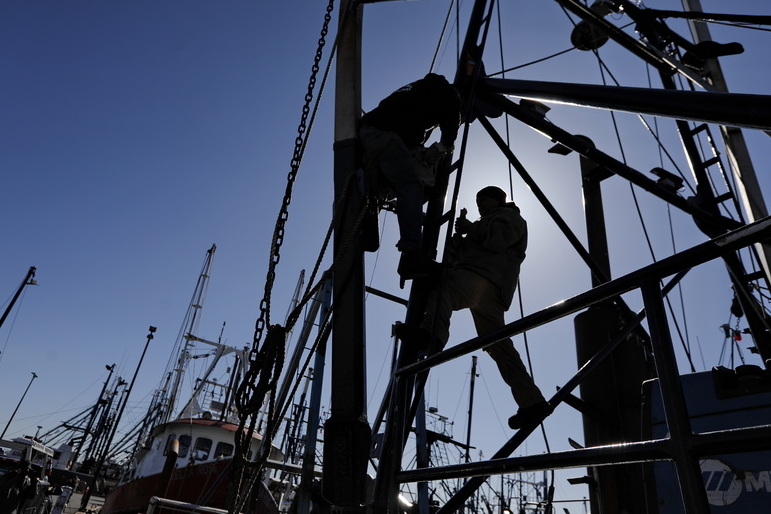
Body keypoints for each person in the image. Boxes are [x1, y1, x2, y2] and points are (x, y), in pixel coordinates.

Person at [400, 186, 552, 429]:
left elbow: (497, 240)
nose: (480, 206)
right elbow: (459, 258)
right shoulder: (488, 222)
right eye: (478, 202)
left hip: (483, 281)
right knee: (499, 348)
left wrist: (471, 229)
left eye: (484, 202)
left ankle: (432, 336)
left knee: (444, 288)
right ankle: (532, 402)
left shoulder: (510, 218)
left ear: (498, 201)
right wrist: (458, 242)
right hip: (485, 286)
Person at [359, 73, 461, 280]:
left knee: (389, 186)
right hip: (383, 136)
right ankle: (411, 254)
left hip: (368, 136)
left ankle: (368, 211)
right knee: (410, 187)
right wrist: (447, 146)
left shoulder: (417, 91)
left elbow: (393, 111)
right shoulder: (449, 93)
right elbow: (451, 122)